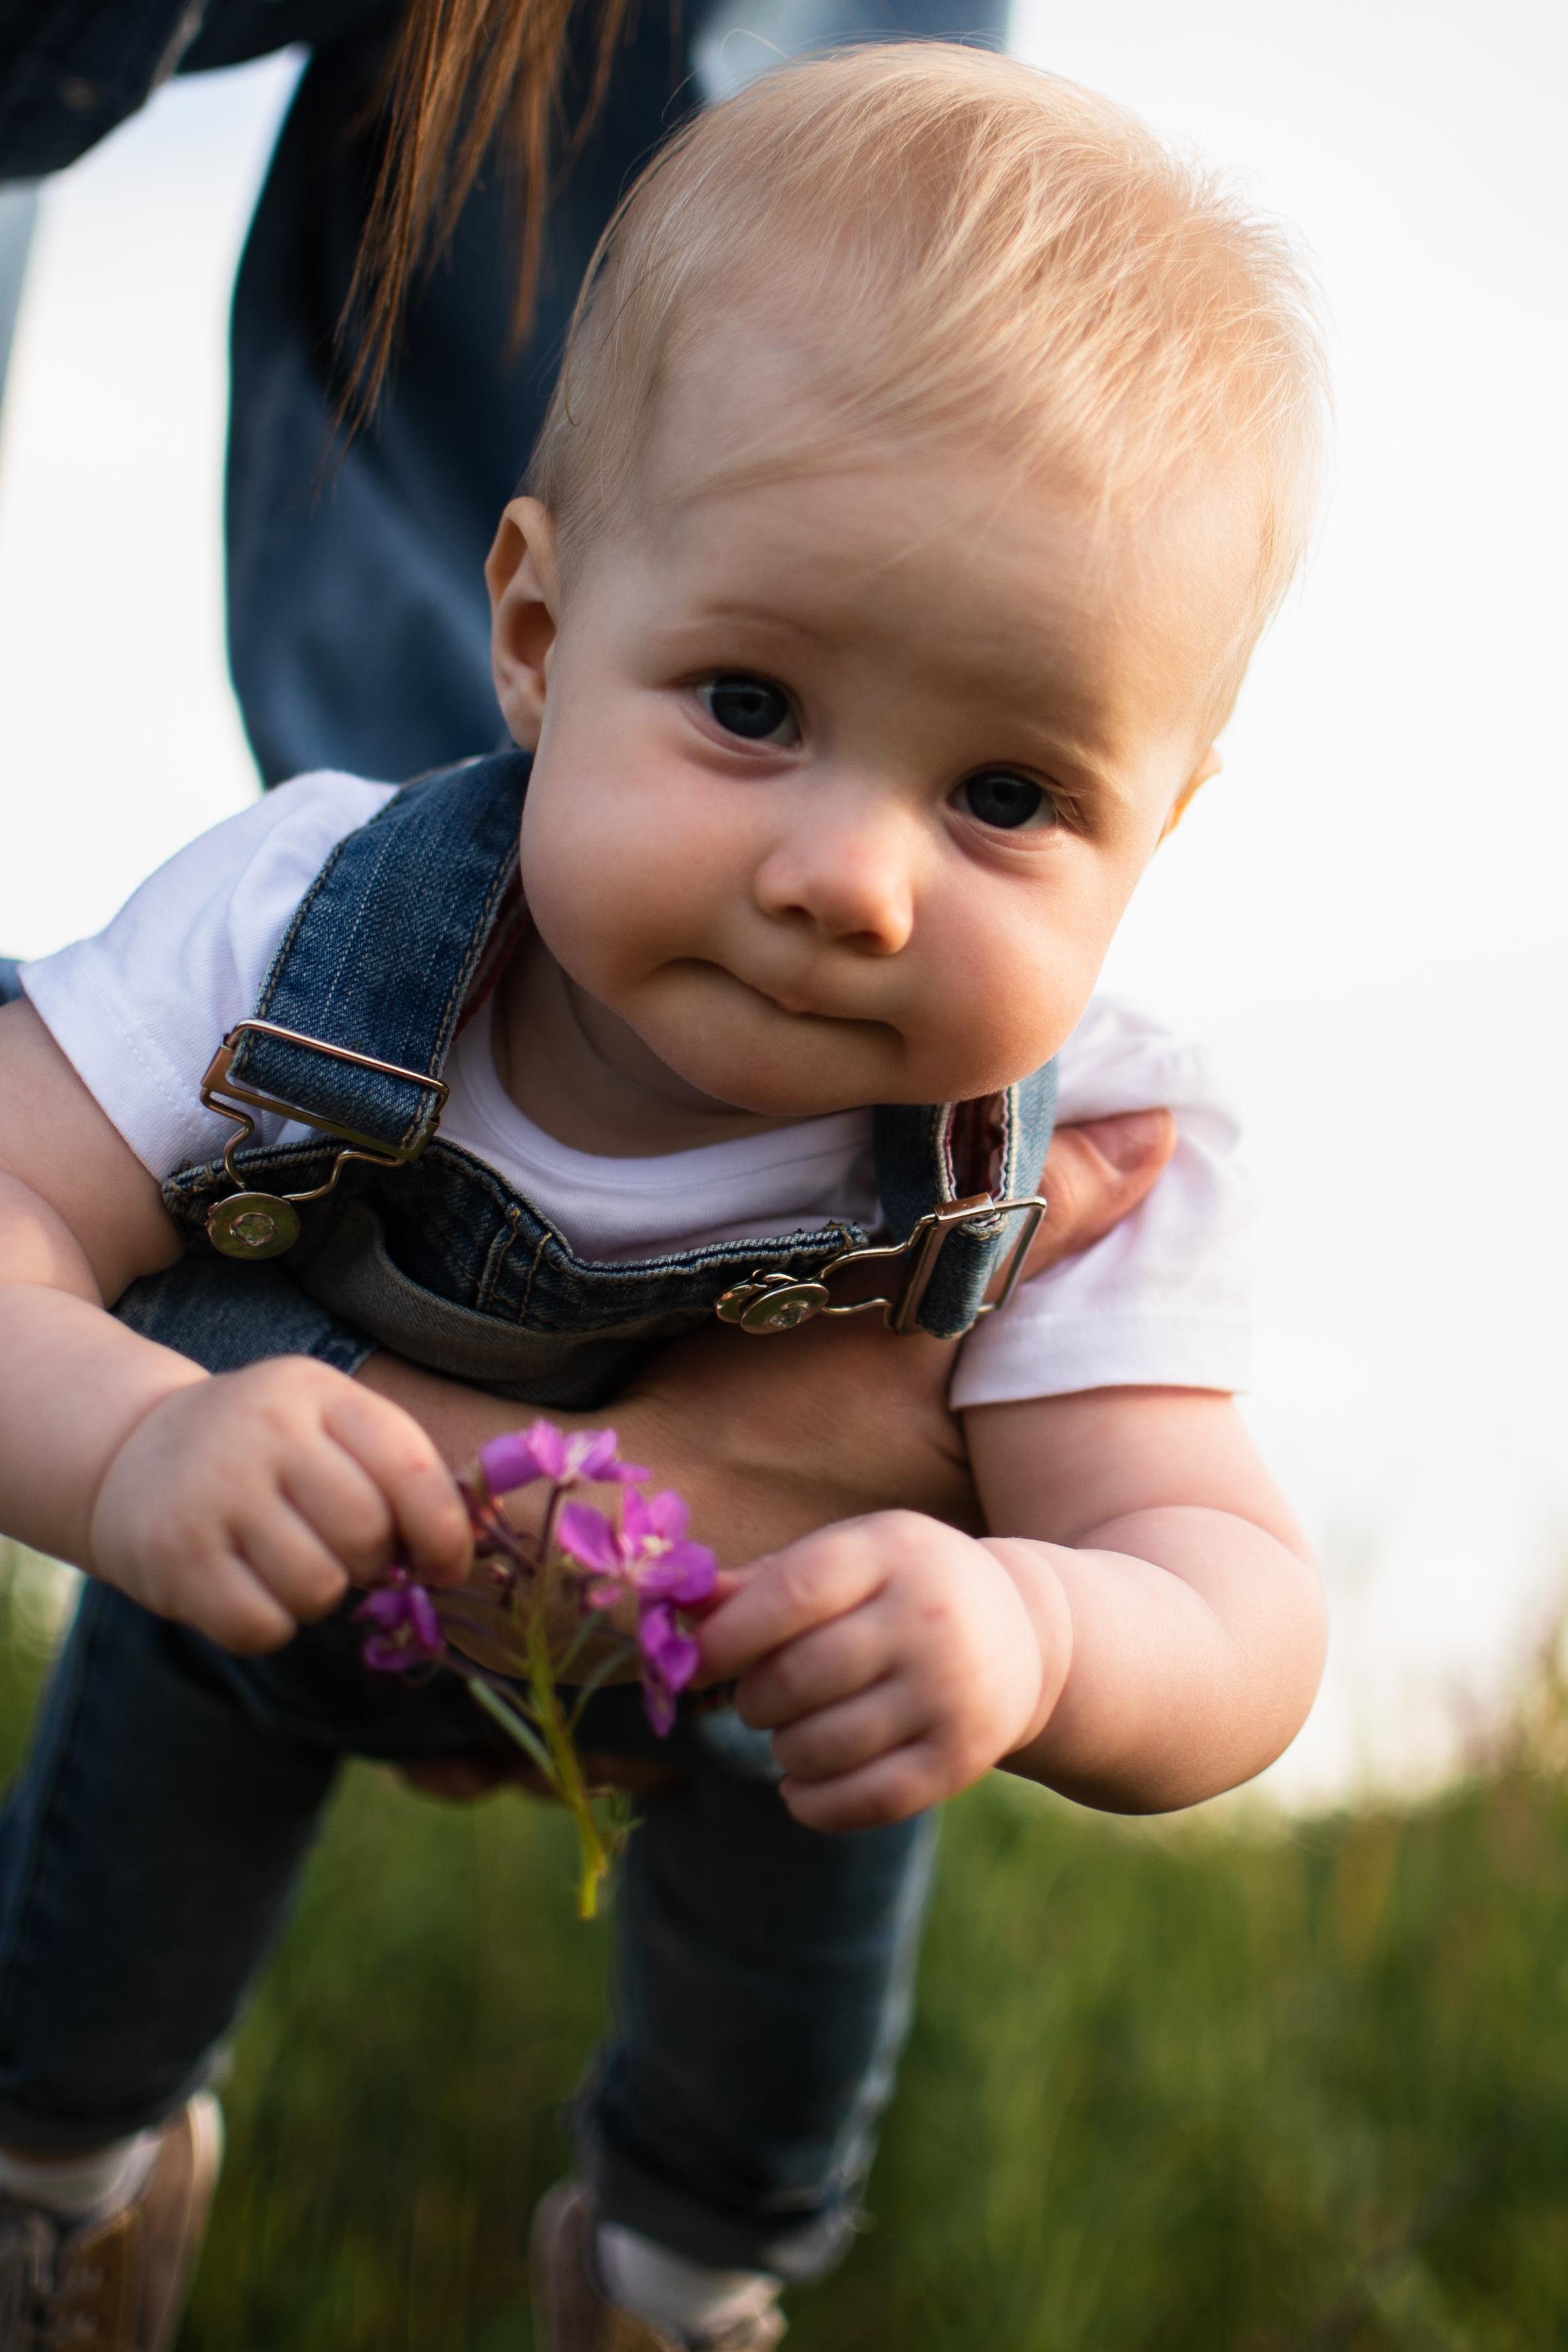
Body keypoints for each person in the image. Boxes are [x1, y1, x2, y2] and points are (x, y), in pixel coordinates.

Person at [0, 43, 1328, 2352]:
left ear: (1161, 829)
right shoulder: (319, 919)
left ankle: (670, 2284)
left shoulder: (1079, 1144)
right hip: (280, 1543)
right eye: (745, 704)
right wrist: (125, 1446)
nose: (848, 879)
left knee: (805, 1892)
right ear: (531, 632)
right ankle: (59, 2182)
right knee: (120, 1840)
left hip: (744, 1683)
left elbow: (1231, 1598)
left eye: (1006, 791)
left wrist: (1036, 1640)